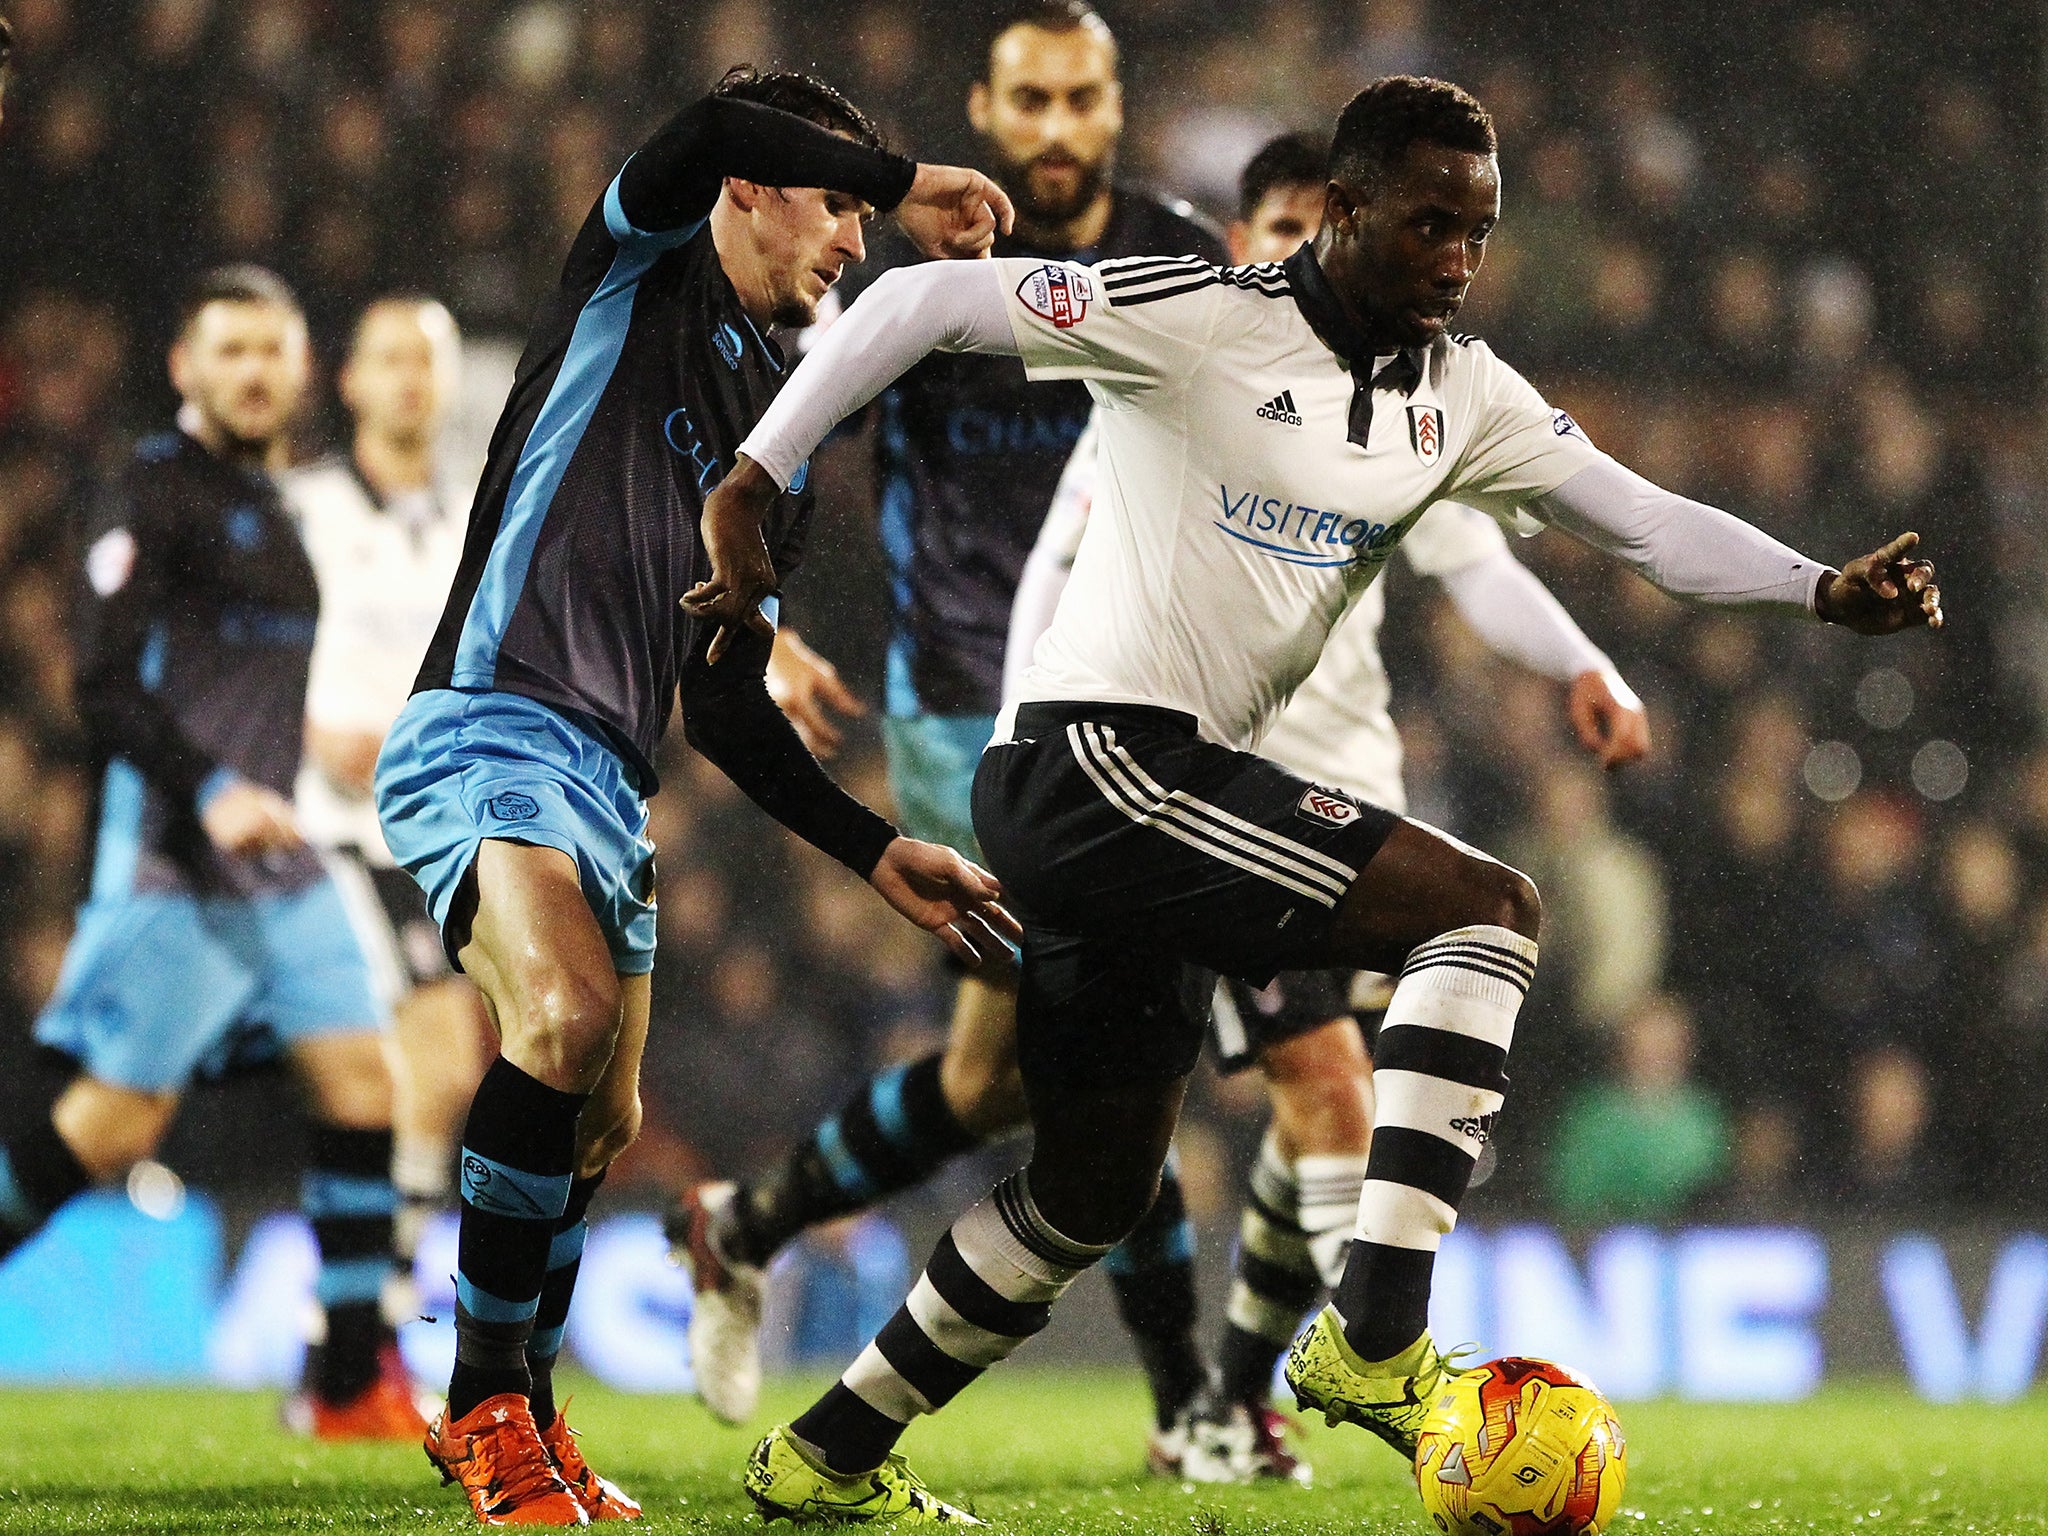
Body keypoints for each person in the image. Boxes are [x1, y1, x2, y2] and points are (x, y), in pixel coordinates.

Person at [688, 74, 1942, 1523]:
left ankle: (825, 1457)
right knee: (1488, 912)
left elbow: (1650, 524)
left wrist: (1818, 588)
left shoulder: (1462, 396)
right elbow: (919, 308)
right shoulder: (1199, 315)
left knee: (1089, 1191)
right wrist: (753, 474)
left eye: (1478, 233)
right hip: (1095, 760)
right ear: (1344, 212)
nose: (1458, 260)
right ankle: (1376, 1342)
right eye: (1429, 226)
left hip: (1145, 795)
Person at [371, 66, 1017, 1525]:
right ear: (749, 192)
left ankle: (527, 1410)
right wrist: (909, 176)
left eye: (867, 216)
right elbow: (717, 119)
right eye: (836, 207)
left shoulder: (778, 436)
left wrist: (872, 849)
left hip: (610, 775)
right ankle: (478, 1406)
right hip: (488, 721)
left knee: (597, 1124)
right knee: (563, 1019)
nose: (856, 241)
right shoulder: (635, 264)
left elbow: (721, 697)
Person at [1000, 129, 1649, 1484]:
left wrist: (1581, 658)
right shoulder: (1170, 389)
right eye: (1284, 226)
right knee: (1327, 1096)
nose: (1305, 249)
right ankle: (1394, 1383)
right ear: (1243, 242)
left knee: (1326, 1124)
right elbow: (1046, 599)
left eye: (1322, 223)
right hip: (1206, 802)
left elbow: (1478, 565)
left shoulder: (1404, 399)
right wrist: (1010, 755)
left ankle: (1236, 1397)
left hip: (1356, 806)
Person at [673, 0, 1232, 1459]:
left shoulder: (1176, 255)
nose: (1053, 126)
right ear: (987, 107)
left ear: (1114, 110)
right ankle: (1192, 1408)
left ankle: (744, 1222)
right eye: (1028, 99)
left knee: (995, 1079)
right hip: (962, 712)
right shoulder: (915, 271)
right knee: (1107, 1028)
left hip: (1127, 693)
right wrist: (768, 621)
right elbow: (790, 436)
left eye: (1079, 99)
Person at [2, 267, 424, 1441]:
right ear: (185, 367)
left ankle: (347, 1383)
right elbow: (99, 680)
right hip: (180, 852)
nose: (252, 371)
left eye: (270, 351)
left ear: (299, 369)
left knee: (365, 1085)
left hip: (282, 859)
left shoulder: (280, 504)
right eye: (228, 350)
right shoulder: (152, 488)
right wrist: (216, 788)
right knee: (111, 1129)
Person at [285, 296, 492, 1340]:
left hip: (430, 830)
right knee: (407, 1067)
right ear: (349, 380)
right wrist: (305, 726)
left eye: (428, 360)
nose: (411, 378)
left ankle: (362, 1312)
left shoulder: (474, 520)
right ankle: (363, 1311)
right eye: (390, 359)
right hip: (324, 831)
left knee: (436, 1069)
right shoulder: (299, 509)